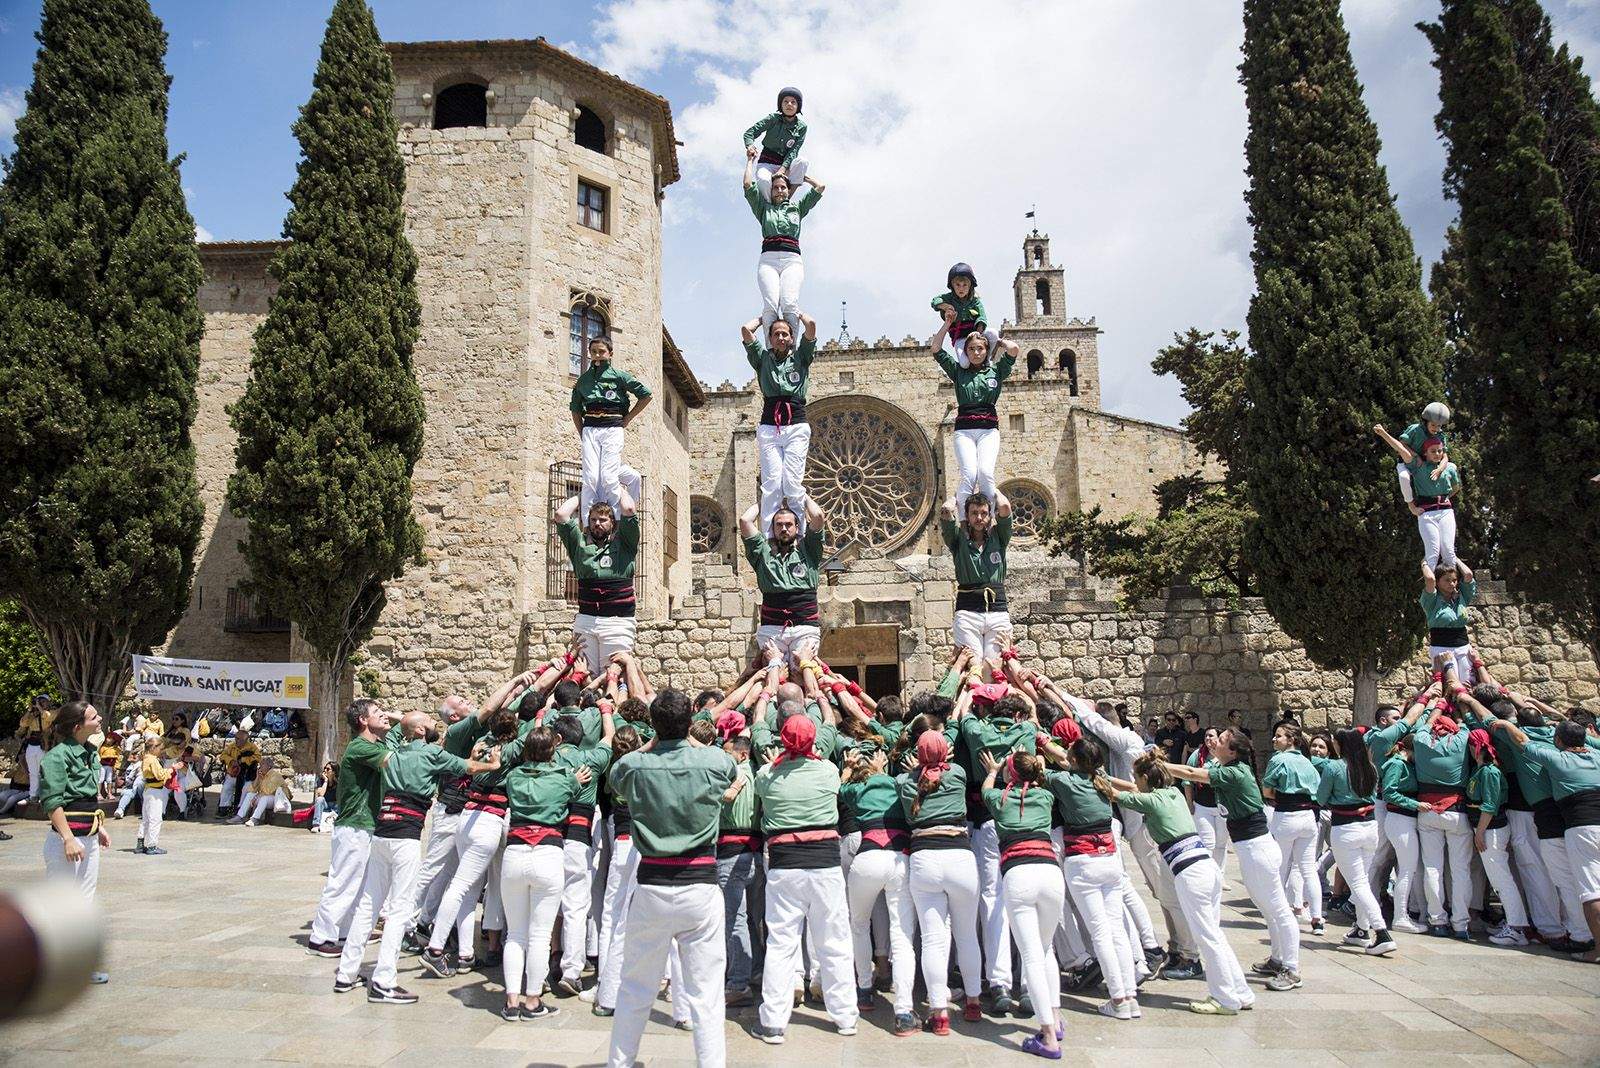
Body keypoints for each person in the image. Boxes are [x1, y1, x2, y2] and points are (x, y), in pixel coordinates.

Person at [605, 689, 736, 1068]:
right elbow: (728, 770)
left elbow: (617, 774)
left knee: (635, 986)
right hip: (700, 883)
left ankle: (620, 1062)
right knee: (706, 992)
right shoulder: (712, 761)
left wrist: (653, 742)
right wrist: (687, 739)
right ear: (690, 719)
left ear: (653, 725)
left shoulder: (635, 765)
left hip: (653, 886)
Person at [335, 708, 501, 1005]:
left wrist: (402, 719)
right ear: (422, 732)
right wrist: (494, 763)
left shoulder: (393, 752)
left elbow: (398, 734)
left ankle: (346, 973)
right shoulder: (431, 754)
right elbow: (470, 767)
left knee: (369, 904)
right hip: (405, 836)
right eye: (428, 721)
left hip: (382, 832)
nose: (434, 724)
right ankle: (384, 981)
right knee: (399, 909)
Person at [1096, 750, 1253, 1015]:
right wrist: (1109, 776)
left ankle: (1224, 998)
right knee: (1215, 934)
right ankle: (1240, 991)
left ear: (1146, 777)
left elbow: (1117, 796)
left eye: (1137, 776)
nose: (1135, 780)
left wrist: (1096, 778)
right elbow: (1134, 788)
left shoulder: (1152, 801)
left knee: (1207, 938)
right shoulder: (1173, 793)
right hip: (1206, 867)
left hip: (1190, 873)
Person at [1165, 729, 1307, 987]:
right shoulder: (1230, 767)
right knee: (1267, 907)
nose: (1215, 743)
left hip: (1257, 848)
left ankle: (1292, 968)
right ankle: (1277, 958)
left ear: (1232, 751)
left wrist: (1161, 765)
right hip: (1250, 848)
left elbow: (1191, 774)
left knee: (1278, 909)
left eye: (1221, 741)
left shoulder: (1233, 772)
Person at [751, 710, 857, 1044]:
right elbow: (828, 728)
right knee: (834, 940)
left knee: (781, 943)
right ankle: (845, 1016)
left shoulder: (767, 774)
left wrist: (774, 763)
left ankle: (773, 1021)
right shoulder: (828, 771)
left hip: (785, 867)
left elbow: (764, 791)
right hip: (824, 865)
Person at [1036, 728, 1140, 1021]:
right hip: (1110, 859)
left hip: (1083, 862)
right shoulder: (1101, 779)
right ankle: (1129, 994)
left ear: (1074, 760)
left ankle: (1117, 998)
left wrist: (1041, 739)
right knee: (1115, 928)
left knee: (1100, 932)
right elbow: (1068, 760)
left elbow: (1049, 767)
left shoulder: (1064, 781)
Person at [1487, 712, 1600, 960]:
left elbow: (1521, 742)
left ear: (1558, 741)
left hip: (1578, 826)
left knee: (1583, 887)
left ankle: (1586, 939)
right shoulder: (1596, 754)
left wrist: (1505, 723)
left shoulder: (1557, 759)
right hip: (1585, 820)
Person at [896, 727, 983, 1035]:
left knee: (933, 938)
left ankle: (939, 1011)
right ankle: (973, 1001)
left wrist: (914, 771)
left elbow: (912, 802)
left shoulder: (904, 782)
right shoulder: (957, 773)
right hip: (960, 854)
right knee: (966, 934)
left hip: (924, 858)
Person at [978, 750, 1064, 1059]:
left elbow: (987, 789)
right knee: (1045, 949)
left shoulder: (999, 799)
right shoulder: (1045, 796)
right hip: (1051, 873)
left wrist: (991, 770)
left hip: (1019, 874)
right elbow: (1040, 780)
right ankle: (1055, 1016)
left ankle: (1049, 1037)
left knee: (1031, 958)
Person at [493, 723, 583, 1019]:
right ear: (552, 750)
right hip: (548, 850)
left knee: (516, 934)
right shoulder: (563, 777)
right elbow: (574, 787)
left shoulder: (514, 777)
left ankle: (511, 1001)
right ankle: (533, 999)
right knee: (540, 935)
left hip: (516, 851)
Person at [838, 744, 917, 1036]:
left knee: (859, 925)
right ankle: (904, 1011)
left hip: (868, 856)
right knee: (901, 933)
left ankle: (864, 990)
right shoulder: (898, 784)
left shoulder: (856, 790)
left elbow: (839, 788)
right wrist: (885, 772)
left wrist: (849, 768)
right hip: (900, 858)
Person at [307, 699, 395, 958]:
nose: (385, 715)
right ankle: (320, 936)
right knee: (343, 881)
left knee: (359, 884)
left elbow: (398, 733)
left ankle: (344, 933)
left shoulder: (374, 744)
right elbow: (396, 761)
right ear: (363, 721)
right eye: (378, 712)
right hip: (354, 827)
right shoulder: (360, 748)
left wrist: (389, 717)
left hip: (365, 825)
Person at [38, 699, 111, 984]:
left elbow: (87, 798)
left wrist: (98, 826)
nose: (100, 719)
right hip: (65, 841)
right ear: (79, 726)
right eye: (94, 717)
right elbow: (53, 801)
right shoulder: (57, 756)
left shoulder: (88, 752)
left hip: (87, 837)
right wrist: (68, 838)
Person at [550, 709, 616, 999]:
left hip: (547, 838)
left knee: (544, 907)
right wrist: (605, 711)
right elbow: (611, 738)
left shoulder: (545, 759)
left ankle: (535, 972)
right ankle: (572, 971)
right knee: (576, 907)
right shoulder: (592, 759)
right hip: (578, 837)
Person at [1316, 728, 1398, 955]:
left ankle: (1381, 931)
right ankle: (1361, 929)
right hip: (1369, 827)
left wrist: (1336, 798)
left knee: (1358, 883)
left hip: (1346, 828)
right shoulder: (1370, 767)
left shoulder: (1334, 767)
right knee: (1362, 880)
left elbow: (1321, 797)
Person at [739, 313, 819, 536]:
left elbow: (811, 326)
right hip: (770, 427)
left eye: (785, 334)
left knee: (793, 483)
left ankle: (798, 535)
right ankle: (769, 537)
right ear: (770, 338)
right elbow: (746, 330)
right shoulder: (762, 359)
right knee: (772, 484)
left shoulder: (801, 358)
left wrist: (796, 312)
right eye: (776, 334)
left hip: (796, 425)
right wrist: (765, 316)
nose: (781, 337)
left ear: (792, 338)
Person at [1411, 670, 1474, 938]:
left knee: (1433, 868)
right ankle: (1461, 923)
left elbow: (1422, 726)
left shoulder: (1423, 741)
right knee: (1460, 870)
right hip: (1457, 810)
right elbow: (1467, 725)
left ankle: (1437, 920)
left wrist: (1435, 708)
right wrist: (1456, 710)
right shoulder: (1461, 740)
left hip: (1427, 811)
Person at [930, 321, 1019, 508]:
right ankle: (963, 520)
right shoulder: (957, 372)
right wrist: (947, 324)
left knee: (986, 472)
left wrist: (996, 340)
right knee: (969, 474)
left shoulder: (996, 371)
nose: (976, 352)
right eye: (971, 349)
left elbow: (1014, 349)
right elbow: (936, 348)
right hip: (964, 430)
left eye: (980, 348)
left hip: (988, 430)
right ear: (966, 352)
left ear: (987, 350)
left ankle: (988, 517)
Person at [556, 488, 641, 682]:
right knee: (583, 674)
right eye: (593, 519)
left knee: (615, 674)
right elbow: (561, 514)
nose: (597, 524)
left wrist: (616, 487)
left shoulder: (625, 545)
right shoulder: (580, 547)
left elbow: (628, 508)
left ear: (613, 523)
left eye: (603, 520)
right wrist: (583, 494)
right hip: (586, 620)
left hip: (617, 622)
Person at [569, 333, 650, 521]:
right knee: (590, 477)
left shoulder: (619, 377)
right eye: (594, 352)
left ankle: (615, 519)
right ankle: (588, 522)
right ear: (589, 353)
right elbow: (575, 409)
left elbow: (645, 395)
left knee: (608, 476)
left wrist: (628, 419)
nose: (597, 355)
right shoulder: (583, 381)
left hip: (613, 427)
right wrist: (582, 432)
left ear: (610, 353)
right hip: (590, 428)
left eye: (601, 352)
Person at [742, 153, 823, 338]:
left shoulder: (797, 208)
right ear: (770, 191)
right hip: (768, 260)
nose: (779, 190)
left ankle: (790, 350)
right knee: (770, 304)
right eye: (776, 188)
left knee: (789, 303)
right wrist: (750, 162)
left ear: (788, 190)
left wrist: (803, 178)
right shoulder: (763, 208)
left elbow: (820, 187)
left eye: (783, 188)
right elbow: (747, 185)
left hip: (792, 260)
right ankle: (771, 351)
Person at [740, 498, 827, 667]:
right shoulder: (762, 553)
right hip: (772, 628)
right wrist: (766, 500)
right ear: (772, 529)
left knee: (804, 670)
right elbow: (745, 520)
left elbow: (817, 516)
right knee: (772, 671)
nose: (784, 528)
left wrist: (801, 496)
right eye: (779, 525)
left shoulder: (809, 551)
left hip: (805, 627)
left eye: (789, 524)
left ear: (797, 527)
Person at [1464, 727, 1531, 946]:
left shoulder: (1490, 772)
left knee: (1501, 879)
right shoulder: (1481, 770)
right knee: (1498, 878)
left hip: (1491, 830)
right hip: (1486, 829)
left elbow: (1490, 805)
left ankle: (1516, 927)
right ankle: (1513, 923)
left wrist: (1480, 832)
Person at [940, 490, 1014, 668]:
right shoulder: (958, 539)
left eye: (984, 513)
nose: (979, 518)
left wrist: (991, 488)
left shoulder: (999, 537)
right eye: (974, 513)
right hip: (968, 612)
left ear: (990, 516)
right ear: (966, 515)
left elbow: (1005, 507)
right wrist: (960, 494)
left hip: (997, 611)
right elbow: (945, 510)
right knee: (973, 665)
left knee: (993, 665)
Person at [1263, 722, 1324, 934]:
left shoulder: (1278, 759)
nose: (1274, 739)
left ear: (1291, 740)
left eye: (1279, 736)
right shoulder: (1308, 762)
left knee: (1279, 866)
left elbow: (1267, 790)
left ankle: (1276, 913)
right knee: (1308, 868)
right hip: (1308, 817)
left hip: (1286, 815)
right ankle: (1317, 918)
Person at [1374, 421, 1461, 569]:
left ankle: (1453, 589)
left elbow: (1456, 487)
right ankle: (1431, 588)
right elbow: (1401, 448)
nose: (1437, 454)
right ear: (1425, 452)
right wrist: (1383, 434)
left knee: (1448, 550)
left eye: (1439, 451)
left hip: (1446, 511)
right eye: (1433, 451)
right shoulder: (1419, 465)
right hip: (1426, 512)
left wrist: (1443, 498)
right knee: (1432, 553)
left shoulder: (1450, 467)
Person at [717, 730, 761, 1011]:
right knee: (754, 919)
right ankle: (756, 968)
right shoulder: (761, 773)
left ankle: (737, 982)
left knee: (735, 920)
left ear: (742, 754)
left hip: (731, 855)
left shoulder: (731, 776)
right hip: (756, 853)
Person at [1373, 401, 1451, 505]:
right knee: (1404, 477)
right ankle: (1411, 505)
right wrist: (1415, 455)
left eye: (1439, 426)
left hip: (1425, 465)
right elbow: (1402, 445)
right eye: (1433, 425)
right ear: (1426, 421)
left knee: (1451, 467)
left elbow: (1445, 457)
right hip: (1408, 461)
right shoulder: (1415, 429)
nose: (1436, 429)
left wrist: (1440, 470)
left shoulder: (1441, 435)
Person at [742, 87, 808, 204]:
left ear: (798, 106)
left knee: (802, 162)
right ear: (780, 105)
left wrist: (783, 170)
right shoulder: (773, 119)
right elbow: (750, 132)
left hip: (784, 166)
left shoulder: (802, 127)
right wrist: (750, 146)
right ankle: (769, 205)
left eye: (793, 102)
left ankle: (785, 202)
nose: (789, 104)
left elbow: (794, 150)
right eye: (785, 101)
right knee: (763, 181)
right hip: (766, 162)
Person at [1421, 558, 1478, 685]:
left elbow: (1468, 575)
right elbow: (1430, 579)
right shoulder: (1432, 600)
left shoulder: (1462, 597)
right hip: (1442, 648)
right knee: (1450, 685)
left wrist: (1453, 557)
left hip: (1463, 647)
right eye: (1447, 580)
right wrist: (1425, 562)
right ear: (1438, 581)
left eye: (1454, 580)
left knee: (1468, 683)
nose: (1452, 584)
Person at [931, 263, 999, 369]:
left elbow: (982, 317)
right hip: (961, 338)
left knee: (993, 333)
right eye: (958, 285)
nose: (961, 288)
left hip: (976, 335)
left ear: (970, 286)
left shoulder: (975, 301)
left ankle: (986, 359)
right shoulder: (948, 298)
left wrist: (978, 332)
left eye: (964, 285)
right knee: (964, 364)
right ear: (952, 286)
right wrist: (946, 306)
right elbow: (935, 301)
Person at [1185, 727, 1230, 870]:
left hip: (1223, 806)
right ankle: (1208, 874)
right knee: (1207, 842)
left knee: (1221, 843)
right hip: (1203, 806)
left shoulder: (1226, 754)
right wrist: (1189, 803)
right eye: (1206, 736)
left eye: (1211, 736)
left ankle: (1219, 875)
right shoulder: (1198, 755)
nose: (1208, 739)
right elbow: (1187, 780)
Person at [135, 734, 170, 856]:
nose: (161, 752)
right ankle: (152, 845)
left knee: (146, 818)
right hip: (155, 791)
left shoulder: (145, 758)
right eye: (160, 749)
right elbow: (160, 775)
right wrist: (171, 770)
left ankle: (140, 843)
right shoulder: (153, 760)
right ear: (154, 748)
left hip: (148, 790)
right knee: (155, 818)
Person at [17, 694, 54, 803]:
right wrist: (29, 710)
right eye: (39, 701)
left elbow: (48, 718)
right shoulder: (33, 715)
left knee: (44, 772)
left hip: (44, 745)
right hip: (31, 745)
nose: (41, 703)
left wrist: (40, 708)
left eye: (43, 701)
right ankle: (33, 795)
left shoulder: (49, 713)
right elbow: (23, 723)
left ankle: (45, 795)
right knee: (33, 772)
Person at [237, 756, 292, 827]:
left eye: (262, 764)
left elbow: (268, 791)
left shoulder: (275, 775)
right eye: (260, 764)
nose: (260, 767)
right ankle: (239, 816)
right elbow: (252, 789)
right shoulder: (262, 775)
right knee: (250, 794)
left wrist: (256, 797)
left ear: (269, 766)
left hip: (278, 799)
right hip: (268, 797)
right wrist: (257, 777)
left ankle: (254, 819)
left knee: (264, 798)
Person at [311, 760, 337, 832]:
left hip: (335, 806)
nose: (325, 770)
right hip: (325, 805)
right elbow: (321, 794)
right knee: (320, 799)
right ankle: (316, 825)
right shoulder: (321, 780)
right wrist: (326, 781)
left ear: (334, 772)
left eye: (328, 769)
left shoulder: (338, 781)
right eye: (325, 768)